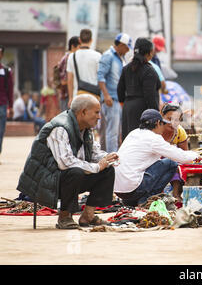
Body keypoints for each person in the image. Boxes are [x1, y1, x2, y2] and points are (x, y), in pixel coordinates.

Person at [17, 94, 119, 229]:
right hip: (47, 182)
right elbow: (65, 163)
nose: (99, 117)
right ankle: (64, 216)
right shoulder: (60, 128)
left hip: (64, 178)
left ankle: (88, 215)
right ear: (83, 112)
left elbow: (93, 153)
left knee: (107, 170)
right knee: (75, 171)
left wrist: (107, 158)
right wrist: (97, 167)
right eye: (96, 112)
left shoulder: (86, 129)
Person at [114, 109, 199, 207]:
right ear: (158, 123)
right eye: (163, 123)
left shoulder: (134, 133)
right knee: (171, 163)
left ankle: (132, 202)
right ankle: (147, 199)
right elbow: (181, 157)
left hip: (119, 191)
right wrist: (196, 155)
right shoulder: (153, 138)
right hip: (132, 189)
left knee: (159, 164)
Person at [118, 37, 161, 141]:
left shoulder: (126, 68)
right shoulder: (149, 70)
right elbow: (150, 96)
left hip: (128, 108)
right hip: (143, 110)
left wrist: (125, 105)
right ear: (149, 53)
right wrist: (156, 116)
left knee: (129, 140)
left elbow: (120, 91)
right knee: (141, 142)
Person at [97, 33, 132, 153]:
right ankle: (111, 159)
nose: (127, 51)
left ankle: (104, 156)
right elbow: (100, 77)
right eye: (127, 48)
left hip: (116, 99)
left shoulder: (120, 58)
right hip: (111, 99)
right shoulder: (108, 56)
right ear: (121, 45)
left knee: (110, 131)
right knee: (112, 132)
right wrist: (106, 95)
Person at [160, 103, 188, 202]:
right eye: (169, 118)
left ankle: (176, 194)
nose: (172, 123)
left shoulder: (180, 132)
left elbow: (184, 155)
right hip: (155, 160)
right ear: (161, 116)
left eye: (176, 120)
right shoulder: (155, 130)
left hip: (172, 160)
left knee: (176, 164)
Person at [66, 29, 102, 107]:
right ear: (91, 40)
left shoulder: (72, 56)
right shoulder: (98, 56)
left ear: (79, 40)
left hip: (77, 96)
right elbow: (100, 77)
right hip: (93, 97)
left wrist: (70, 97)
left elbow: (70, 79)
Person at [54, 36, 80, 112]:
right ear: (73, 46)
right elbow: (63, 81)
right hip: (67, 96)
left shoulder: (72, 58)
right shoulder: (68, 59)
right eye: (79, 47)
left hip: (69, 96)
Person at [0, 45, 14, 161]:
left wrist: (11, 106)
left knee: (0, 131)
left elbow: (10, 89)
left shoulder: (6, 71)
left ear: (2, 55)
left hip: (2, 105)